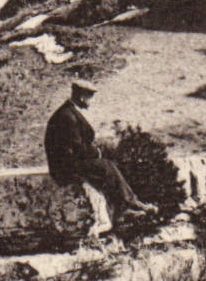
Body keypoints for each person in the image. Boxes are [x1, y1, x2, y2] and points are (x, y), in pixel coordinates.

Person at [44, 80, 156, 238]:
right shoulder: (67, 116)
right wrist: (96, 152)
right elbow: (77, 148)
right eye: (90, 97)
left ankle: (125, 206)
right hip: (65, 167)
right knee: (107, 167)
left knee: (108, 167)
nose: (91, 101)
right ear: (82, 97)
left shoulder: (69, 112)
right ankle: (130, 203)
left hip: (69, 162)